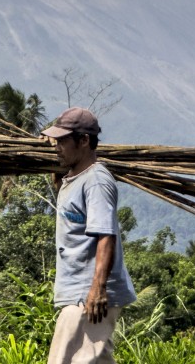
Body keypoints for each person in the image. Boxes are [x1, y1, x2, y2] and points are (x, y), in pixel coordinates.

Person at [42, 107, 136, 364]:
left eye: (62, 141)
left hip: (88, 294)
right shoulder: (74, 178)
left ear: (84, 140)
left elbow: (106, 235)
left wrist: (97, 289)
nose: (57, 147)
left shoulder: (96, 181)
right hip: (79, 292)